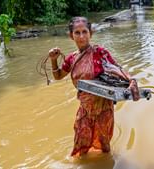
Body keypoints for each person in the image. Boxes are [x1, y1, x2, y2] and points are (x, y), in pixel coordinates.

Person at [48, 16, 140, 157]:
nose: (81, 36)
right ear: (71, 36)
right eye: (77, 33)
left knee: (104, 147)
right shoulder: (71, 59)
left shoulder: (99, 52)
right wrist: (53, 61)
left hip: (104, 108)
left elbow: (116, 68)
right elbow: (58, 76)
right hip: (85, 109)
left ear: (91, 33)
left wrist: (131, 79)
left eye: (85, 32)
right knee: (80, 144)